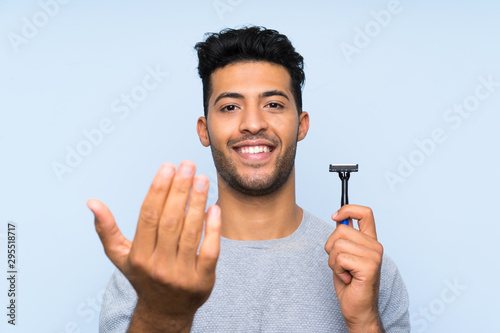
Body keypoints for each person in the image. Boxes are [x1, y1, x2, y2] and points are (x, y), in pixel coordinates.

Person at [88, 26, 410, 332]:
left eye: (273, 104)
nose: (253, 123)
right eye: (230, 106)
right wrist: (162, 315)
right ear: (204, 130)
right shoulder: (152, 270)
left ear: (301, 125)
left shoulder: (367, 270)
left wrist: (364, 322)